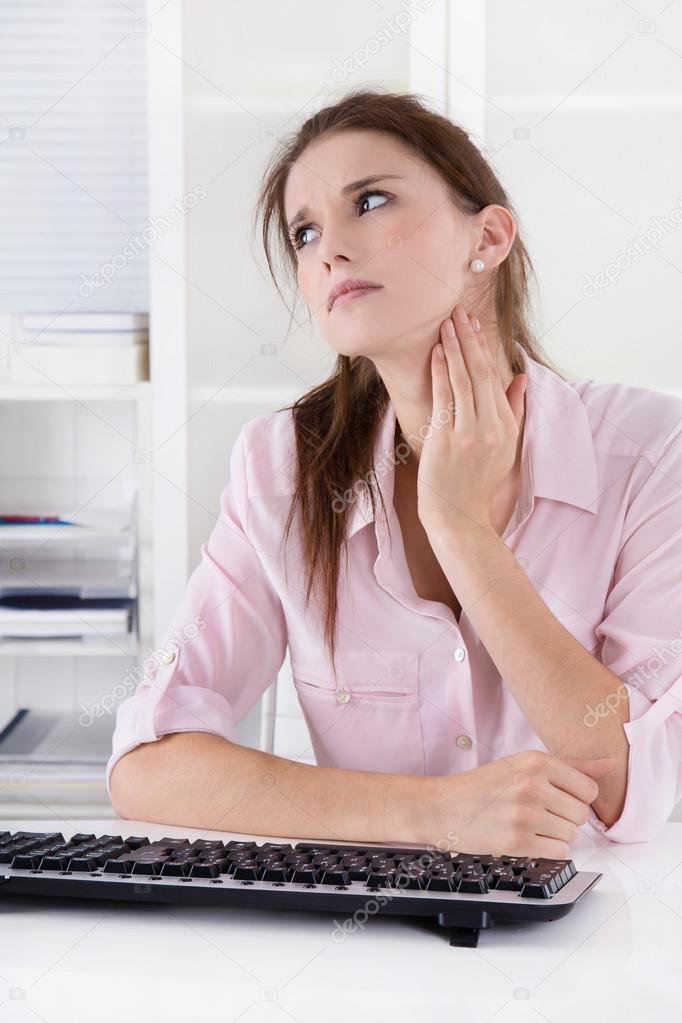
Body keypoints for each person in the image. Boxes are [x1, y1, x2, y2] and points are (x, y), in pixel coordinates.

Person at [109, 88, 682, 857]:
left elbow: (632, 786)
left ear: (489, 235)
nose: (328, 250)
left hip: (595, 945)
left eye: (370, 201)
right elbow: (147, 768)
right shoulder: (279, 469)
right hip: (372, 953)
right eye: (304, 233)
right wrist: (431, 813)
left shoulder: (649, 453)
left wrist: (461, 528)